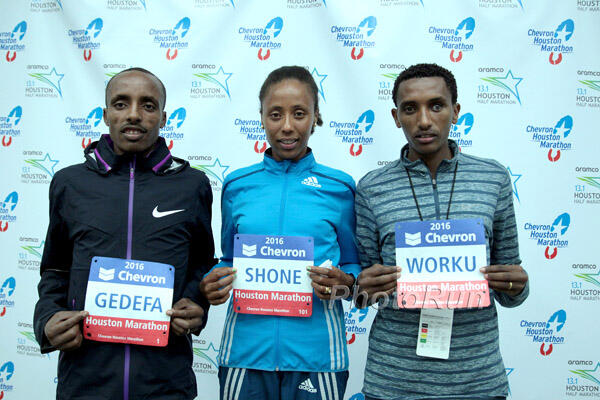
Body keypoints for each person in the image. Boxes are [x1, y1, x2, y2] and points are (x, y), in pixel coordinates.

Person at [33, 67, 216, 400]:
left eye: (148, 105)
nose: (134, 114)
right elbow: (55, 269)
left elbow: (203, 265)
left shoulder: (192, 186)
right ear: (105, 115)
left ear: (163, 117)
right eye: (121, 104)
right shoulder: (69, 184)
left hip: (165, 383)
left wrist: (196, 303)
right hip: (86, 381)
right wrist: (46, 319)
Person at [354, 63, 529, 400]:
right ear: (396, 117)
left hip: (477, 382)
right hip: (394, 383)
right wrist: (362, 288)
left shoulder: (493, 178)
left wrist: (518, 286)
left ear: (455, 111)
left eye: (436, 105)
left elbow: (511, 289)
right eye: (410, 108)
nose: (424, 120)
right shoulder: (371, 188)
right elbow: (363, 292)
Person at [199, 66, 359, 400]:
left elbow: (354, 266)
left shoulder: (340, 187)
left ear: (315, 117)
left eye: (299, 113)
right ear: (261, 118)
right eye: (275, 114)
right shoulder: (237, 185)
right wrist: (214, 281)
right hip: (245, 355)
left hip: (317, 358)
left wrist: (345, 282)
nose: (287, 126)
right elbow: (229, 258)